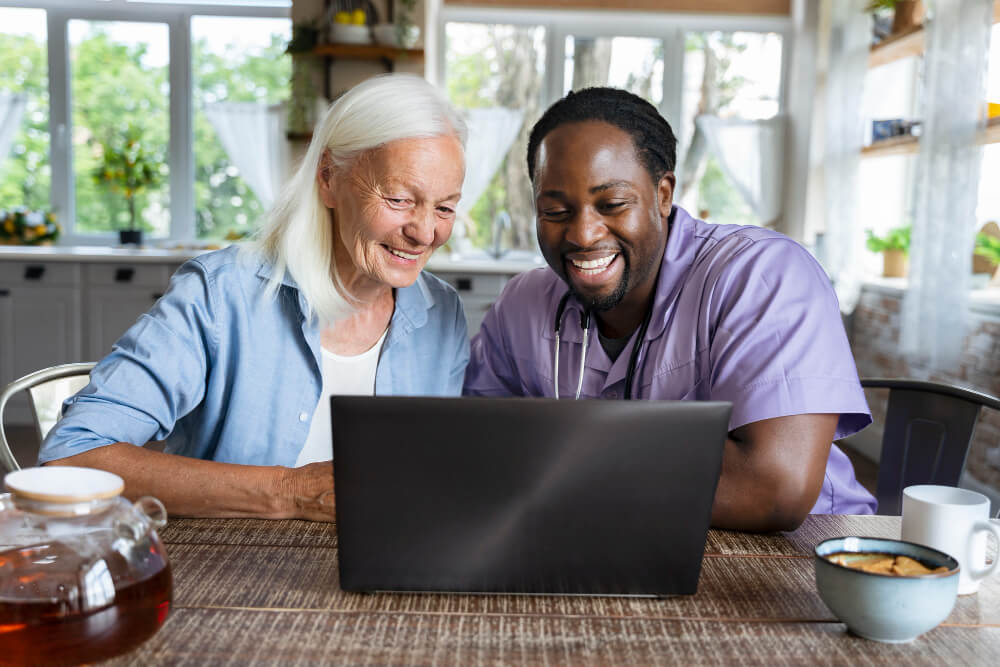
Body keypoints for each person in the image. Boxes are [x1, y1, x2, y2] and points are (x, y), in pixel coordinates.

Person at [39, 74, 469, 521]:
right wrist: (290, 491)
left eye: (444, 207)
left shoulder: (442, 314)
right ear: (328, 178)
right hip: (229, 571)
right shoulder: (219, 294)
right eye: (399, 199)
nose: (424, 232)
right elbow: (70, 458)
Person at [464, 87, 876, 532]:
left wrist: (553, 450)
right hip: (602, 536)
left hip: (798, 557)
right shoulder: (520, 305)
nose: (582, 234)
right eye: (556, 210)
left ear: (663, 194)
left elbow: (771, 491)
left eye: (613, 204)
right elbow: (474, 447)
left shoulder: (762, 275)